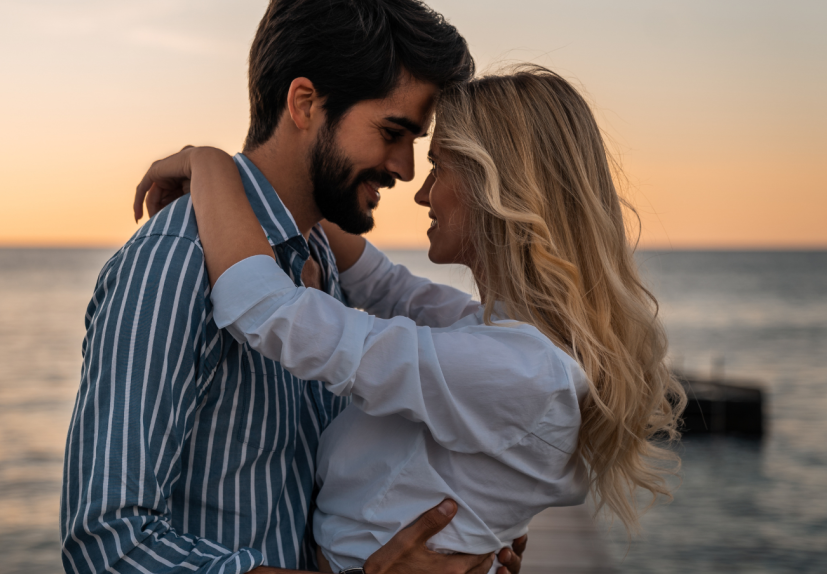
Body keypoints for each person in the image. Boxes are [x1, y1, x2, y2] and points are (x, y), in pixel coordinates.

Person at [61, 0, 525, 574]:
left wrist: (453, 541)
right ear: (305, 104)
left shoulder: (317, 259)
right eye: (392, 132)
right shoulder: (174, 263)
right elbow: (107, 545)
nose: (404, 169)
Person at [133, 66, 685, 572]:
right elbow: (385, 285)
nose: (419, 190)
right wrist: (270, 189)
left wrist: (210, 165)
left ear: (498, 187)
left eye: (440, 167)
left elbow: (269, 312)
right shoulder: (512, 341)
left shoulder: (515, 370)